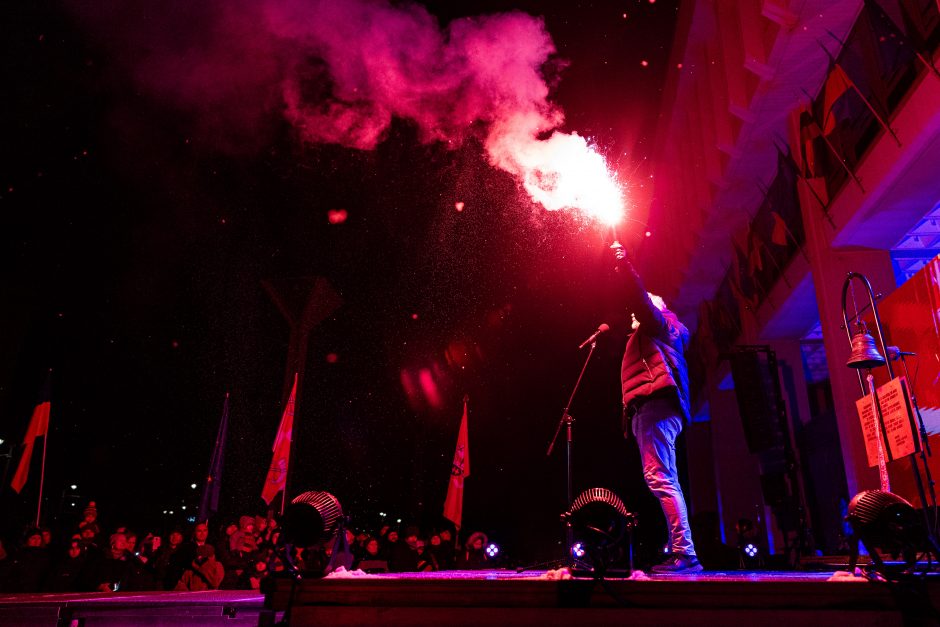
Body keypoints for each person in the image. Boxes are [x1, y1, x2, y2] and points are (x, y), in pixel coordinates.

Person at [611, 241, 701, 574]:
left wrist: (623, 264)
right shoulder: (658, 333)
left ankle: (685, 553)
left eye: (644, 307)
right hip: (655, 410)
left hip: (656, 408)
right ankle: (683, 550)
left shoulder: (661, 325)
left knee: (662, 479)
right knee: (662, 479)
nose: (635, 314)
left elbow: (638, 298)